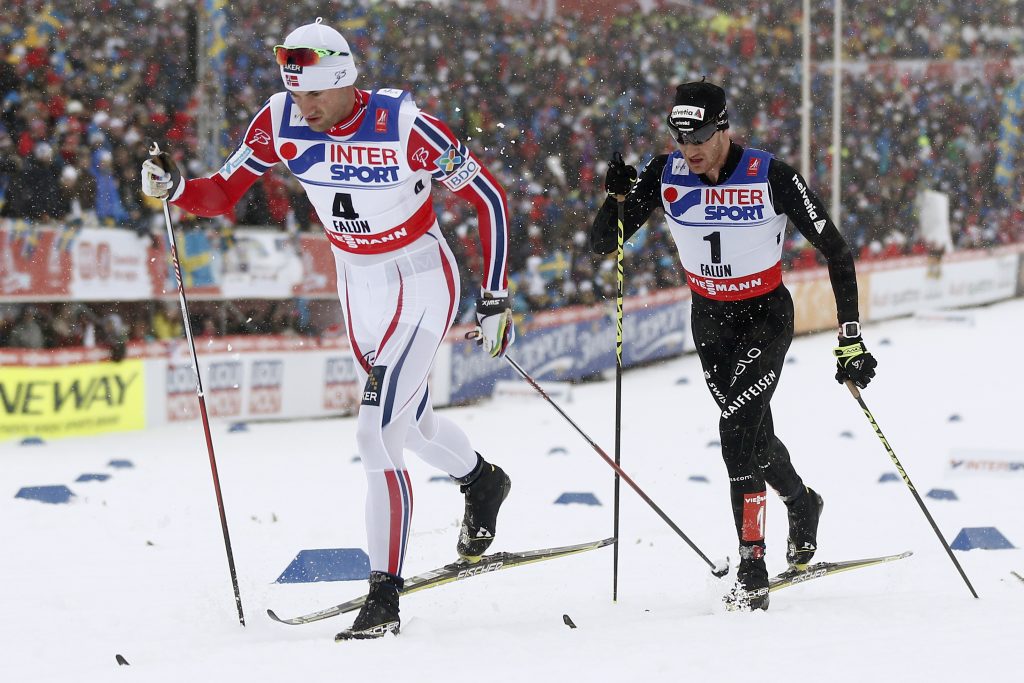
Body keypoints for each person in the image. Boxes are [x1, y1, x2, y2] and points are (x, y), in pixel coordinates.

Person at [141, 18, 515, 640]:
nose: (304, 106)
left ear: (345, 81)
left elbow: (490, 201)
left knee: (375, 432)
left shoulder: (404, 125)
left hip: (420, 278)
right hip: (356, 283)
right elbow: (222, 194)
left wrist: (495, 295)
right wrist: (177, 186)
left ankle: (384, 596)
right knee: (409, 423)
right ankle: (482, 480)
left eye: (315, 93)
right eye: (294, 91)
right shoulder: (277, 120)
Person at [590, 80, 877, 611]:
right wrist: (616, 197)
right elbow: (602, 244)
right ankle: (801, 501)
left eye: (698, 135)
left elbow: (836, 251)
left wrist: (850, 339)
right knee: (754, 435)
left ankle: (752, 563)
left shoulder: (771, 174)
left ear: (723, 126)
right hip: (711, 322)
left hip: (765, 317)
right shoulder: (667, 173)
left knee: (735, 431)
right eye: (680, 137)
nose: (689, 149)